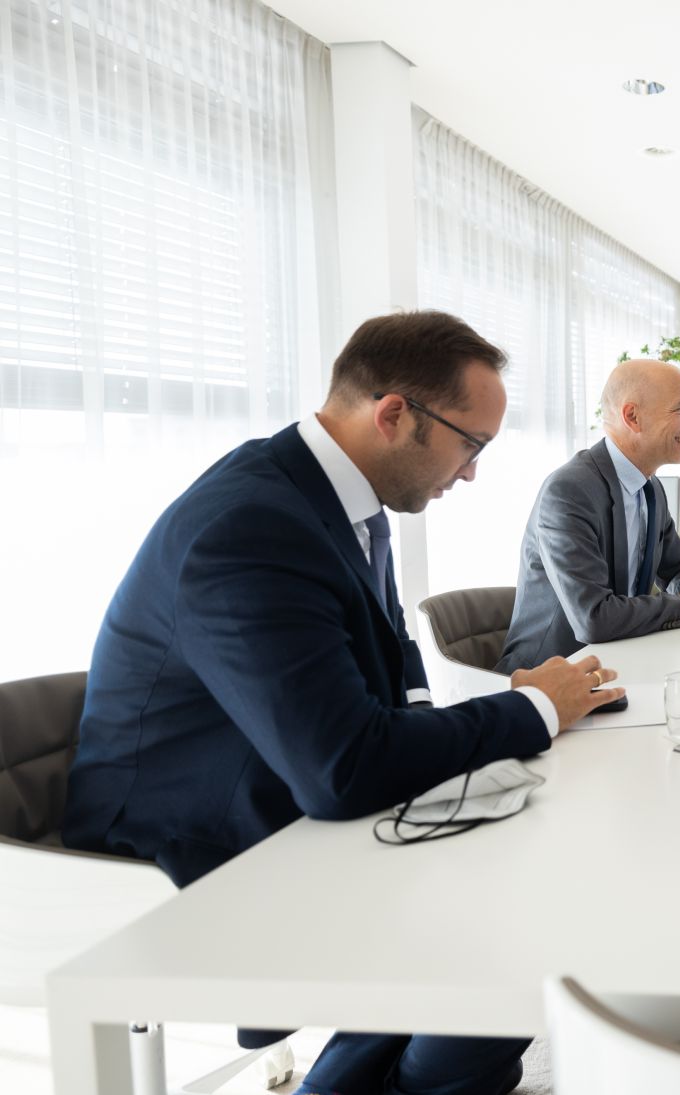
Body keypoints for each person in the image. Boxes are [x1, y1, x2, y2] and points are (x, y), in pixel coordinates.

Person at [63, 311, 625, 1095]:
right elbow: (344, 766)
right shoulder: (251, 524)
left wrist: (501, 719)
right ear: (394, 414)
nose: (471, 474)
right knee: (511, 912)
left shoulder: (337, 501)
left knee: (529, 866)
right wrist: (531, 710)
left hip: (277, 784)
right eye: (472, 444)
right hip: (186, 844)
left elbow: (387, 697)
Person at [498, 358, 680, 669]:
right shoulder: (568, 491)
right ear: (633, 416)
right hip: (554, 678)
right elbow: (594, 618)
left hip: (622, 662)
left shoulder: (651, 487)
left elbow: (679, 566)